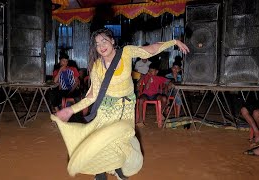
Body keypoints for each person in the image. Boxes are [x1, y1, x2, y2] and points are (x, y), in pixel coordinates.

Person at [50, 28, 189, 180]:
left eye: (104, 41)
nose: (101, 46)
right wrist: (70, 110)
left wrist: (173, 42)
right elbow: (92, 95)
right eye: (97, 44)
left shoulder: (126, 52)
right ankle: (100, 172)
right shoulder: (97, 66)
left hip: (127, 109)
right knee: (104, 139)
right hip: (107, 109)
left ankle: (117, 167)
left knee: (122, 139)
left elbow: (150, 50)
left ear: (112, 41)